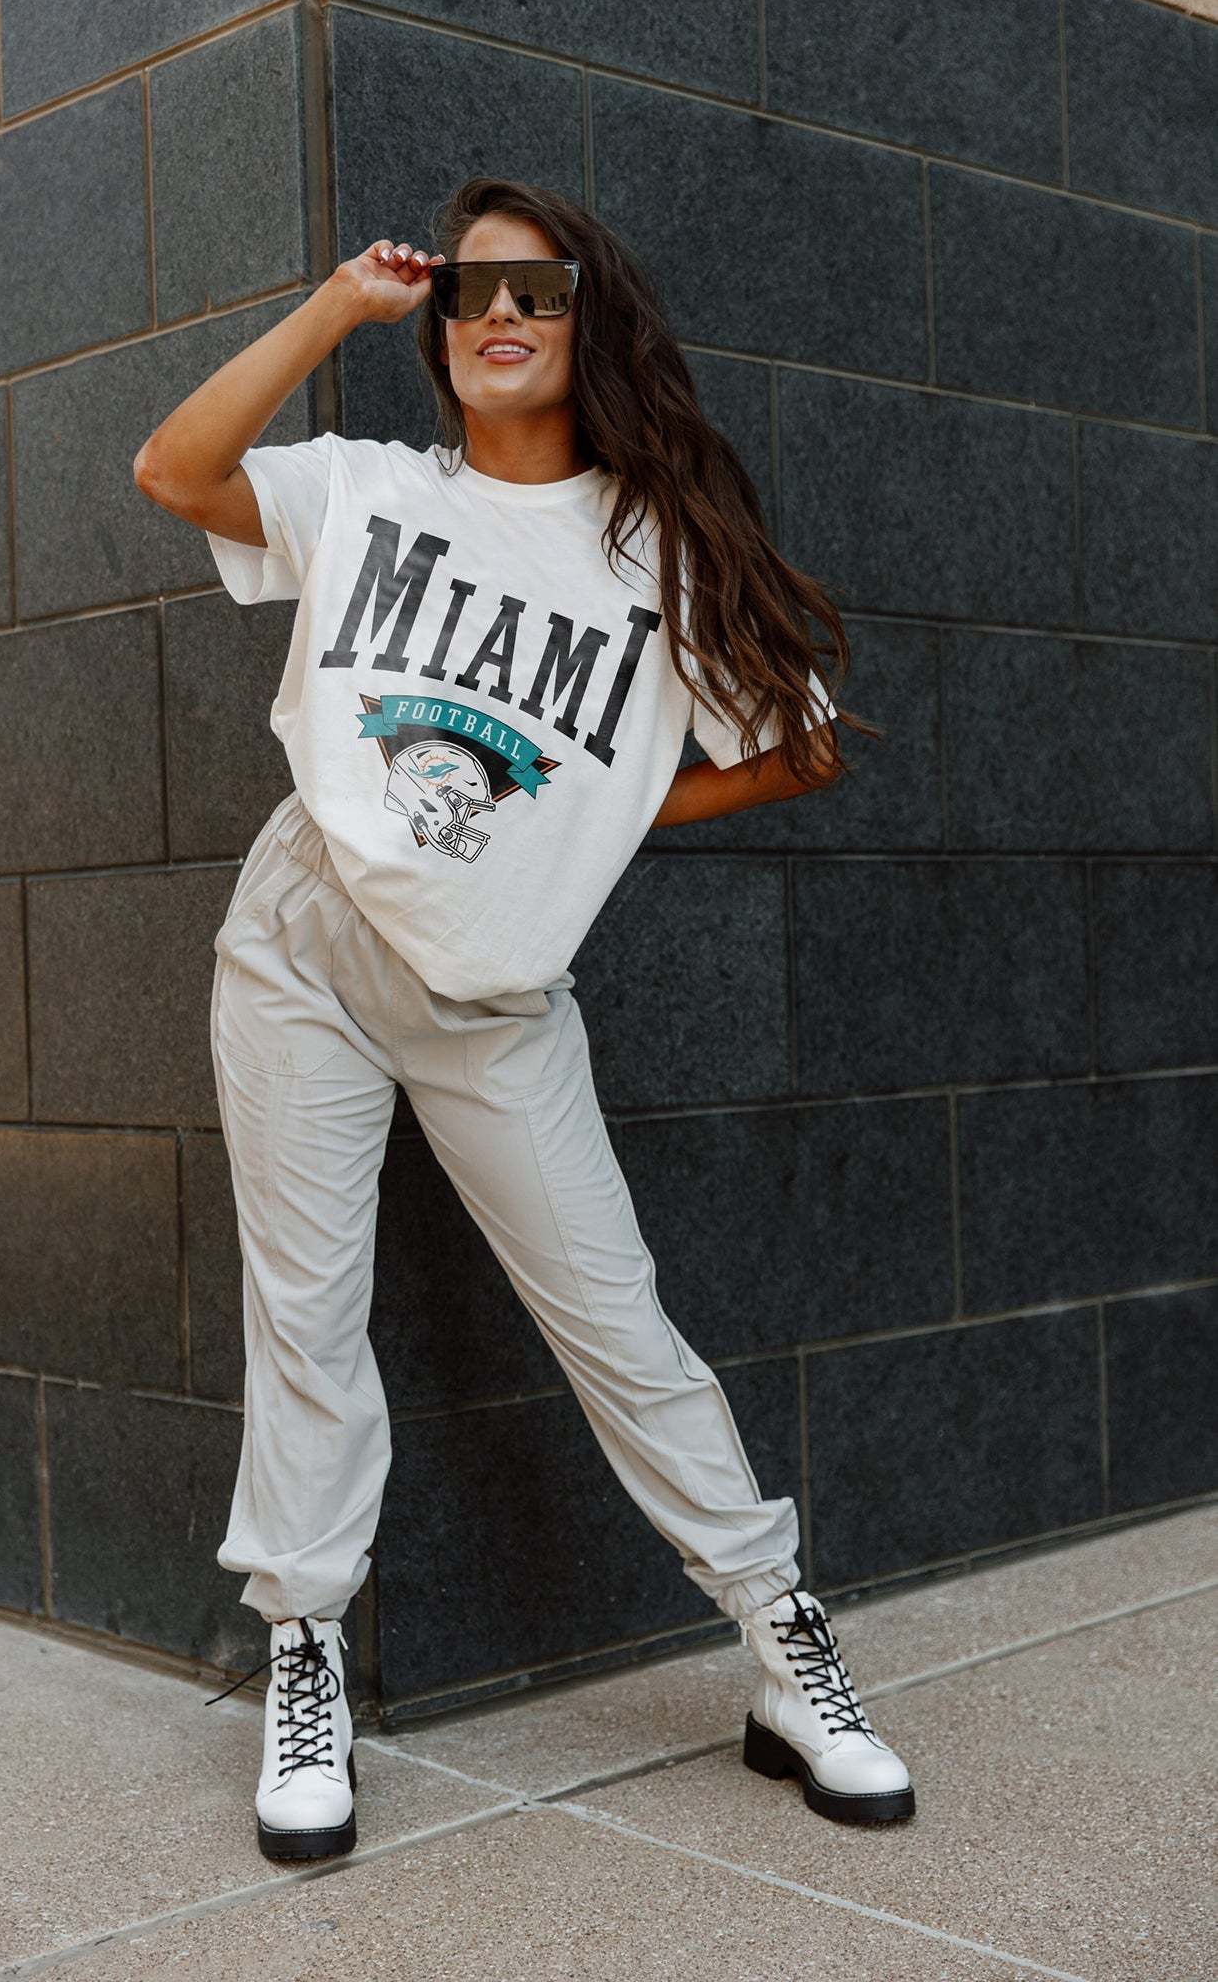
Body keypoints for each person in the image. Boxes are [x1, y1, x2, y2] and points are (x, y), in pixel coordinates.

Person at [133, 176, 914, 1863]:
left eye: (536, 290)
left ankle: (782, 1642)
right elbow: (173, 471)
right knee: (305, 1316)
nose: (499, 314)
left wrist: (592, 818)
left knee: (616, 1323)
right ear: (435, 331)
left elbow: (801, 743)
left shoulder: (652, 541)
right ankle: (304, 1653)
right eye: (468, 293)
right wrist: (336, 305)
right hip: (302, 943)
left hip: (494, 992)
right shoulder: (368, 488)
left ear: (585, 320)